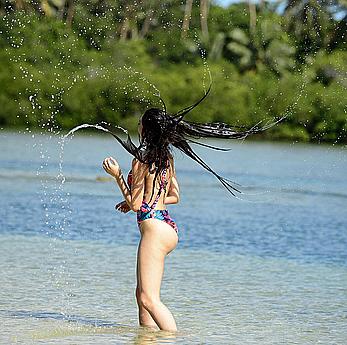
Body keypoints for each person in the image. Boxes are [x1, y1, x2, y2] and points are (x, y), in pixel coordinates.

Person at [101, 86, 287, 332]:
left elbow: (137, 205)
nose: (138, 126)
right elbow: (174, 196)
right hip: (166, 226)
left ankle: (172, 338)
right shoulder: (167, 159)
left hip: (154, 230)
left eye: (139, 124)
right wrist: (144, 200)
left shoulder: (141, 160)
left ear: (146, 130)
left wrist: (117, 177)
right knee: (142, 296)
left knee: (149, 299)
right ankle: (147, 339)